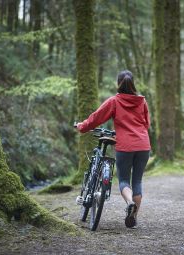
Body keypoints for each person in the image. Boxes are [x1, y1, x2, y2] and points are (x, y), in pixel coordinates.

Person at [76, 70, 151, 228]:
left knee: (124, 180)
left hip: (126, 146)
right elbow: (146, 124)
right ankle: (134, 216)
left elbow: (96, 118)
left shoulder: (114, 101)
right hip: (143, 145)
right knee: (137, 181)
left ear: (118, 83)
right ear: (133, 84)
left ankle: (130, 202)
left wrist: (82, 127)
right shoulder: (142, 102)